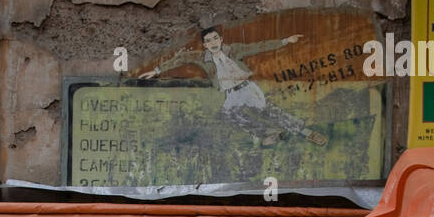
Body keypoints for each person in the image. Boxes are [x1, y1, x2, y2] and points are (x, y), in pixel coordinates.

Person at [139, 26, 326, 147]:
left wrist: (285, 41)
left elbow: (259, 46)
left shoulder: (234, 50)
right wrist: (156, 70)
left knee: (269, 111)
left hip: (247, 88)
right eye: (208, 41)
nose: (212, 43)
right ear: (204, 45)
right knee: (228, 114)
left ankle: (308, 133)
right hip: (231, 94)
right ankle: (271, 134)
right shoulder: (202, 58)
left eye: (215, 39)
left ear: (221, 39)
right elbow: (181, 58)